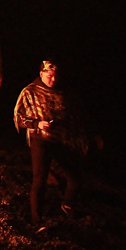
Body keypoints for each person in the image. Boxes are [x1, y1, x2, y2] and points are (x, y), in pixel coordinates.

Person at [14, 60, 102, 228]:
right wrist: (36, 124)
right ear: (41, 74)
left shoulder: (63, 93)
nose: (53, 80)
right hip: (40, 140)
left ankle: (67, 205)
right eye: (49, 76)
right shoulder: (30, 92)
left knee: (74, 177)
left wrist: (91, 136)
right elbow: (19, 117)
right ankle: (36, 220)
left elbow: (76, 116)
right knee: (40, 179)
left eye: (55, 77)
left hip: (60, 141)